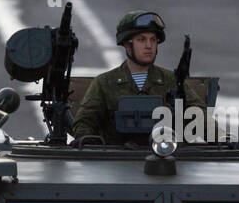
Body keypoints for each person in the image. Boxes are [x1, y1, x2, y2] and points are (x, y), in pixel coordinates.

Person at [70, 11, 207, 145]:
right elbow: (85, 121)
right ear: (127, 45)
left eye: (153, 40)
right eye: (141, 40)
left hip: (164, 156)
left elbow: (200, 116)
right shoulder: (104, 83)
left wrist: (221, 137)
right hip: (116, 160)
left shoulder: (172, 80)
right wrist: (88, 140)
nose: (149, 46)